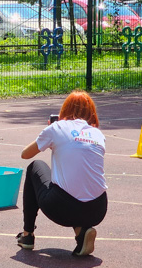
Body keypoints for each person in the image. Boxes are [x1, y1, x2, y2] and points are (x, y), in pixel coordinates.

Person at [17, 91, 107, 257]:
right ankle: (81, 233)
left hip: (62, 208)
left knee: (34, 167)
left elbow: (25, 154)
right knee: (78, 182)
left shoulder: (56, 128)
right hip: (98, 208)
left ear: (65, 110)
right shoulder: (98, 134)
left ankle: (27, 235)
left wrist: (48, 132)